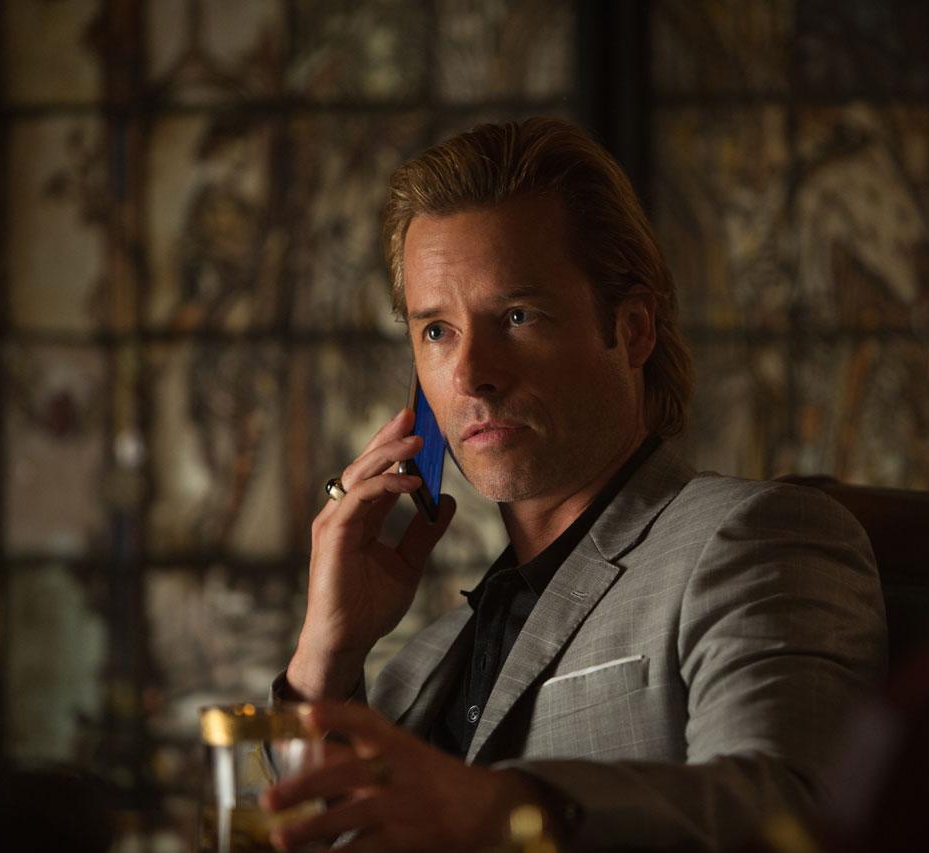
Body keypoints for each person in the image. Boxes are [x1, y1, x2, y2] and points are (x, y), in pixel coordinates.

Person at [261, 117, 887, 852]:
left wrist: (507, 810)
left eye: (517, 316)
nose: (470, 375)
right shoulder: (424, 659)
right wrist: (325, 655)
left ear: (633, 329)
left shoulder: (759, 538)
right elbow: (296, 831)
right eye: (436, 331)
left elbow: (790, 812)